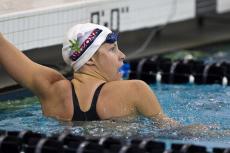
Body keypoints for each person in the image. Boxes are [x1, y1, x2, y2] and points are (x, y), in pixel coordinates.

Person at [0, 23, 178, 127]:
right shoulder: (134, 90)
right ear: (91, 59)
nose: (122, 55)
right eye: (112, 49)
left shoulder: (52, 90)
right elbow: (172, 131)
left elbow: (4, 50)